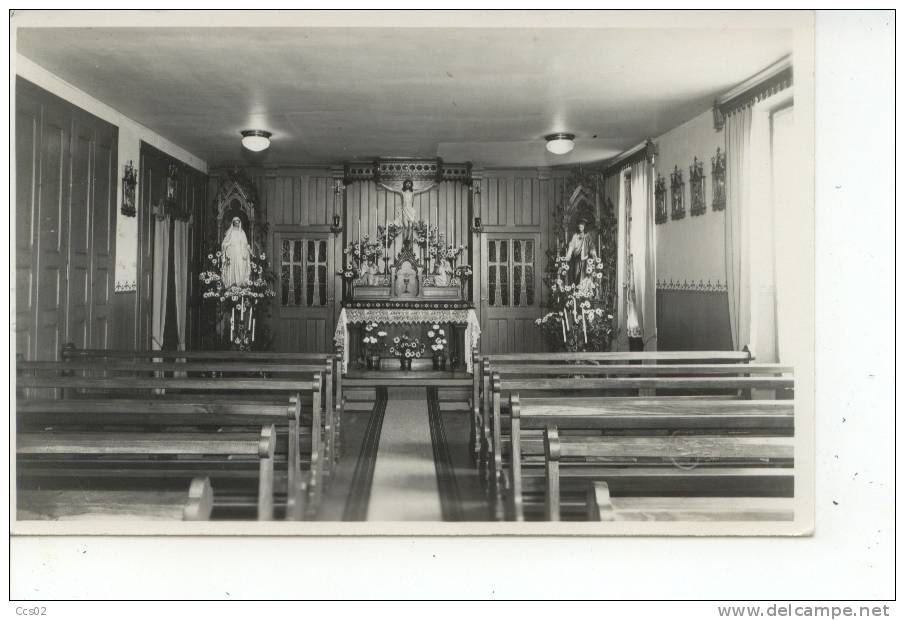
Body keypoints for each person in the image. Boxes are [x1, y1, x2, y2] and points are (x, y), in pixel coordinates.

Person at [379, 179, 436, 245]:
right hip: (404, 210)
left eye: (409, 183)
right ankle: (405, 239)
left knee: (411, 226)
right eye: (407, 183)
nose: (408, 184)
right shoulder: (402, 192)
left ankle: (408, 240)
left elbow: (423, 189)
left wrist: (432, 186)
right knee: (406, 226)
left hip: (411, 210)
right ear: (404, 184)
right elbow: (392, 189)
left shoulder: (413, 192)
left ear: (411, 184)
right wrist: (382, 185)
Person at [221, 216, 254, 288]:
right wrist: (227, 247)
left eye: (238, 222)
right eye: (235, 222)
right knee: (232, 267)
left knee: (240, 267)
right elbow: (225, 243)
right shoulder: (230, 232)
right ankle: (232, 283)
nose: (237, 223)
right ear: (233, 223)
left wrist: (247, 249)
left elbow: (245, 243)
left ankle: (240, 283)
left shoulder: (242, 232)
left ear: (240, 223)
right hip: (232, 252)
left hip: (240, 252)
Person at [563, 218, 594, 286]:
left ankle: (583, 291)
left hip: (585, 259)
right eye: (579, 226)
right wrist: (568, 255)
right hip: (577, 258)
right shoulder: (575, 236)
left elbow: (591, 246)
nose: (581, 227)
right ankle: (577, 290)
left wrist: (593, 254)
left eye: (582, 226)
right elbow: (571, 246)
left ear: (584, 227)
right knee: (576, 274)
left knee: (584, 275)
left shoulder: (587, 236)